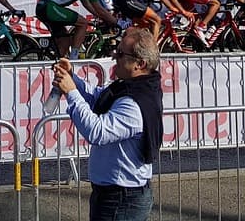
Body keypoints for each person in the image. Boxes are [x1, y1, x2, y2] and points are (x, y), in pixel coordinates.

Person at [51, 28, 163, 221]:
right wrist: (72, 78)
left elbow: (97, 132)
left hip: (121, 198)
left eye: (121, 54)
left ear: (140, 64)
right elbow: (98, 97)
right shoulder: (129, 86)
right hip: (114, 194)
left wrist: (71, 92)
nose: (114, 56)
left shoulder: (134, 102)